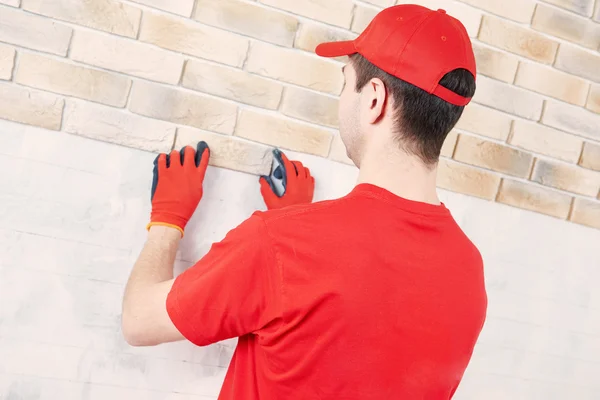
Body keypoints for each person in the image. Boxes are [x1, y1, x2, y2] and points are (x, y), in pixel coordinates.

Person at [122, 4, 487, 399]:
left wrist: (168, 218)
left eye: (345, 83)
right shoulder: (469, 269)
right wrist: (294, 229)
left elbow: (138, 321)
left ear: (374, 100)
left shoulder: (280, 244)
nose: (343, 98)